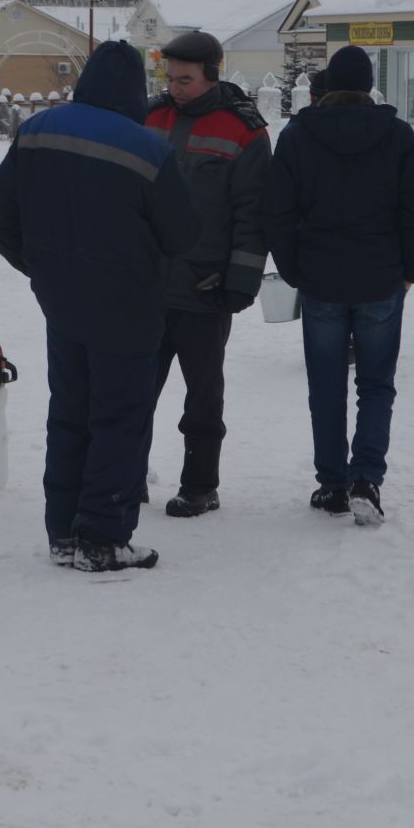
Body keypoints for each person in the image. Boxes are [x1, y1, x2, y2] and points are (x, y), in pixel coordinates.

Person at [0, 41, 198, 571]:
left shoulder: (36, 130)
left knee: (70, 413)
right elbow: (183, 234)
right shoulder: (148, 150)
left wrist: (41, 268)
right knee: (120, 418)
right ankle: (102, 535)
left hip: (62, 301)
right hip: (128, 304)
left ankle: (63, 531)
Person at [263, 45, 414, 525]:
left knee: (326, 386)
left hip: (321, 282)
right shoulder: (398, 137)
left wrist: (295, 269)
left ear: (326, 87)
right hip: (382, 280)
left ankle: (333, 484)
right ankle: (366, 478)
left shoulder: (298, 136)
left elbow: (277, 212)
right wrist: (410, 270)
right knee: (376, 384)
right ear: (369, 86)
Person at [144, 31, 272, 518]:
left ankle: (200, 485)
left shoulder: (244, 130)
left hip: (205, 286)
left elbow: (253, 213)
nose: (174, 87)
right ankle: (127, 472)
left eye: (186, 79)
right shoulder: (150, 116)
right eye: (169, 77)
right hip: (148, 285)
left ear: (212, 74)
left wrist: (242, 279)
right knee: (134, 389)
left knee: (202, 394)